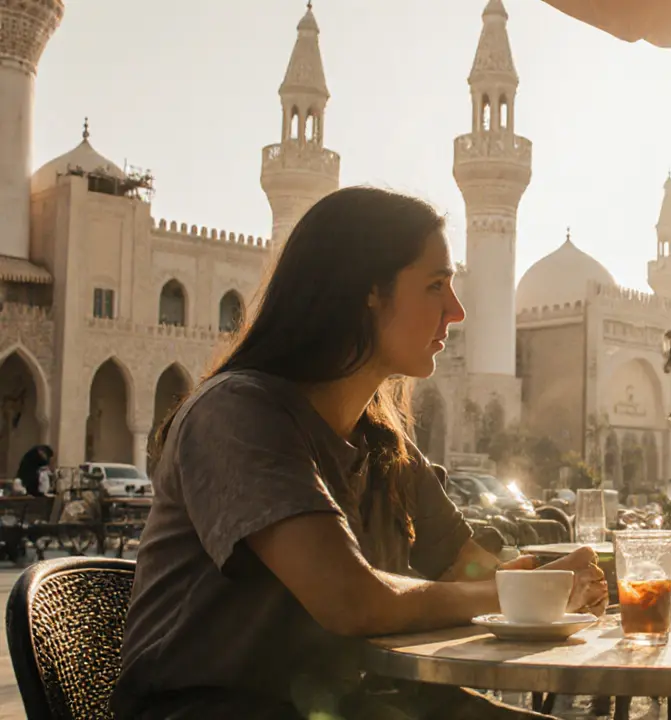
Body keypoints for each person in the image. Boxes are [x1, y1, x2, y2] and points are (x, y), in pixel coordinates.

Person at [113, 187, 608, 720]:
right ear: (367, 293)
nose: (457, 311)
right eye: (436, 286)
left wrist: (554, 577)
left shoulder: (382, 442)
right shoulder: (236, 416)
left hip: (355, 705)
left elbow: (467, 570)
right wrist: (513, 593)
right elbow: (351, 600)